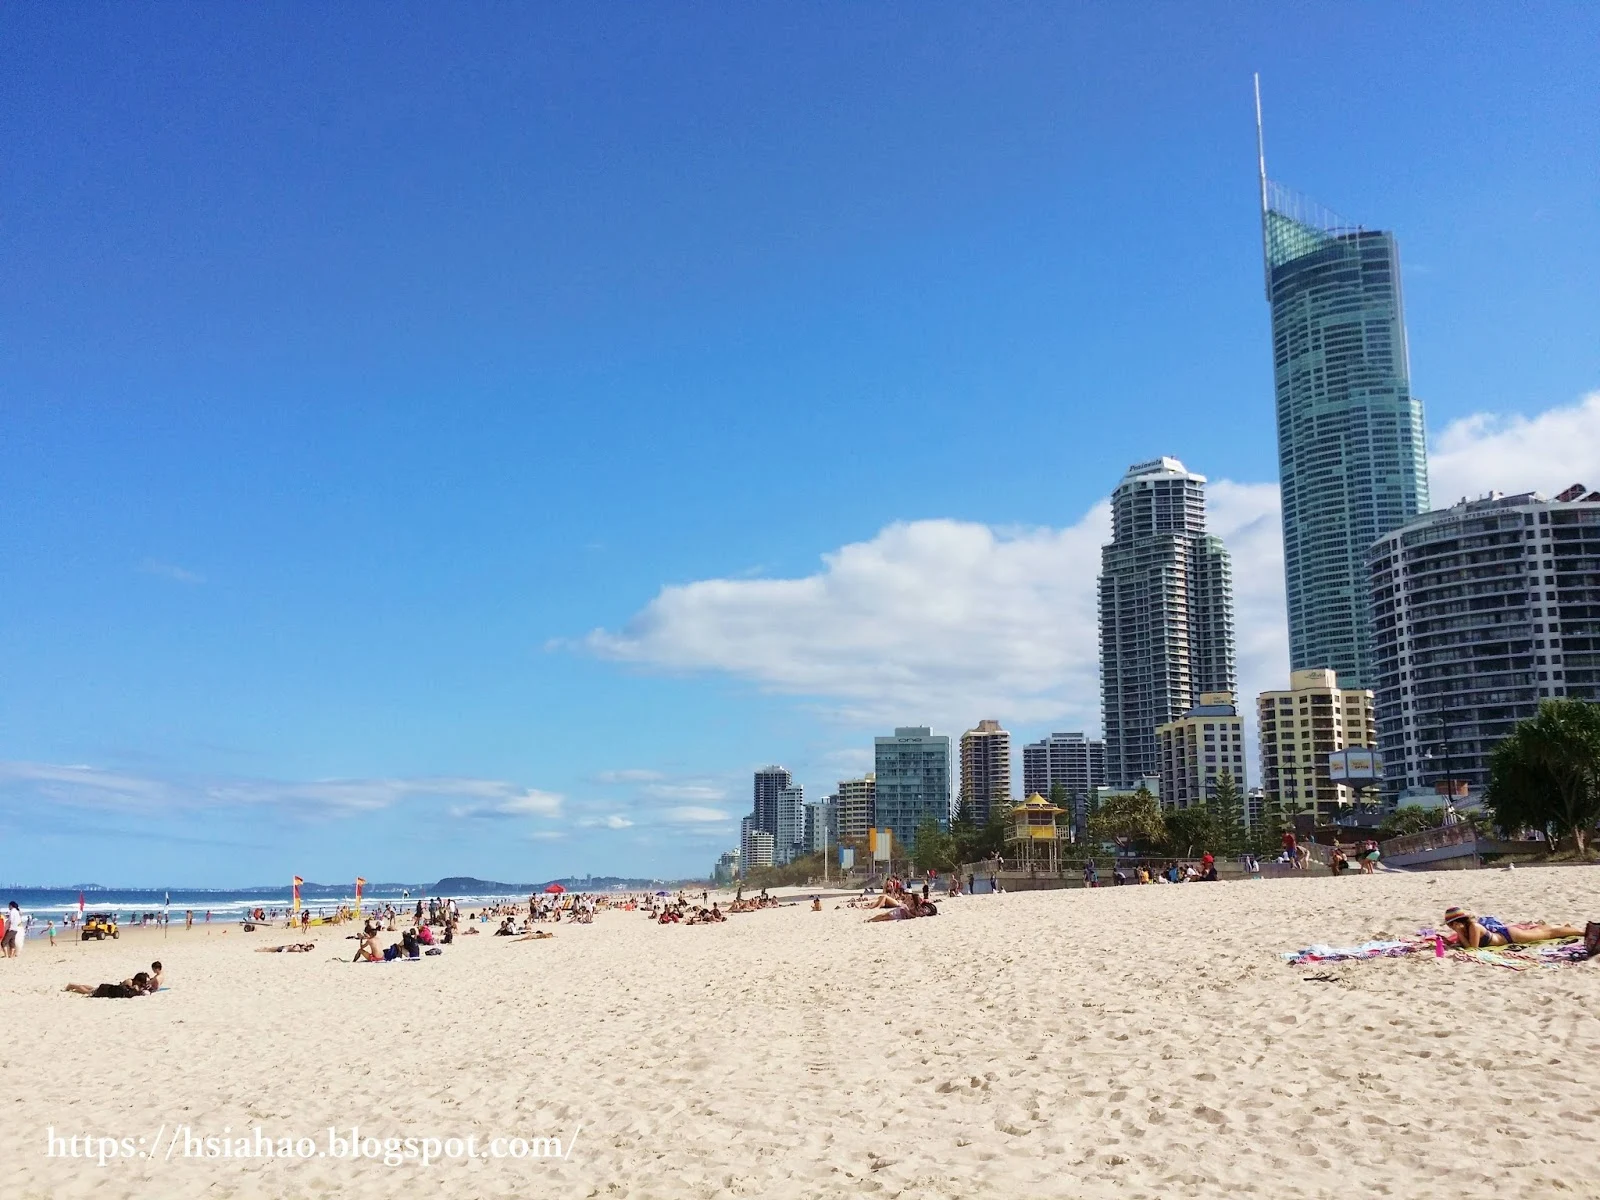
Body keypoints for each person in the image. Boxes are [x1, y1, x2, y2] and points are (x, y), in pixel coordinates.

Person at [1441, 907, 1585, 949]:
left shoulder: (1473, 926)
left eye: (1451, 925)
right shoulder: (1465, 929)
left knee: (1547, 934)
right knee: (1540, 930)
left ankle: (1581, 932)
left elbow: (1473, 948)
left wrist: (1459, 933)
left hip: (1510, 936)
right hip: (1506, 934)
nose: (1452, 928)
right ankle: (1564, 927)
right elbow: (1463, 944)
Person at [65, 971, 151, 998]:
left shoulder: (133, 982)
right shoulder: (130, 982)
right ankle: (72, 985)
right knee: (88, 992)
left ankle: (75, 985)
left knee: (92, 988)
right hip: (109, 989)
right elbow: (125, 990)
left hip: (109, 988)